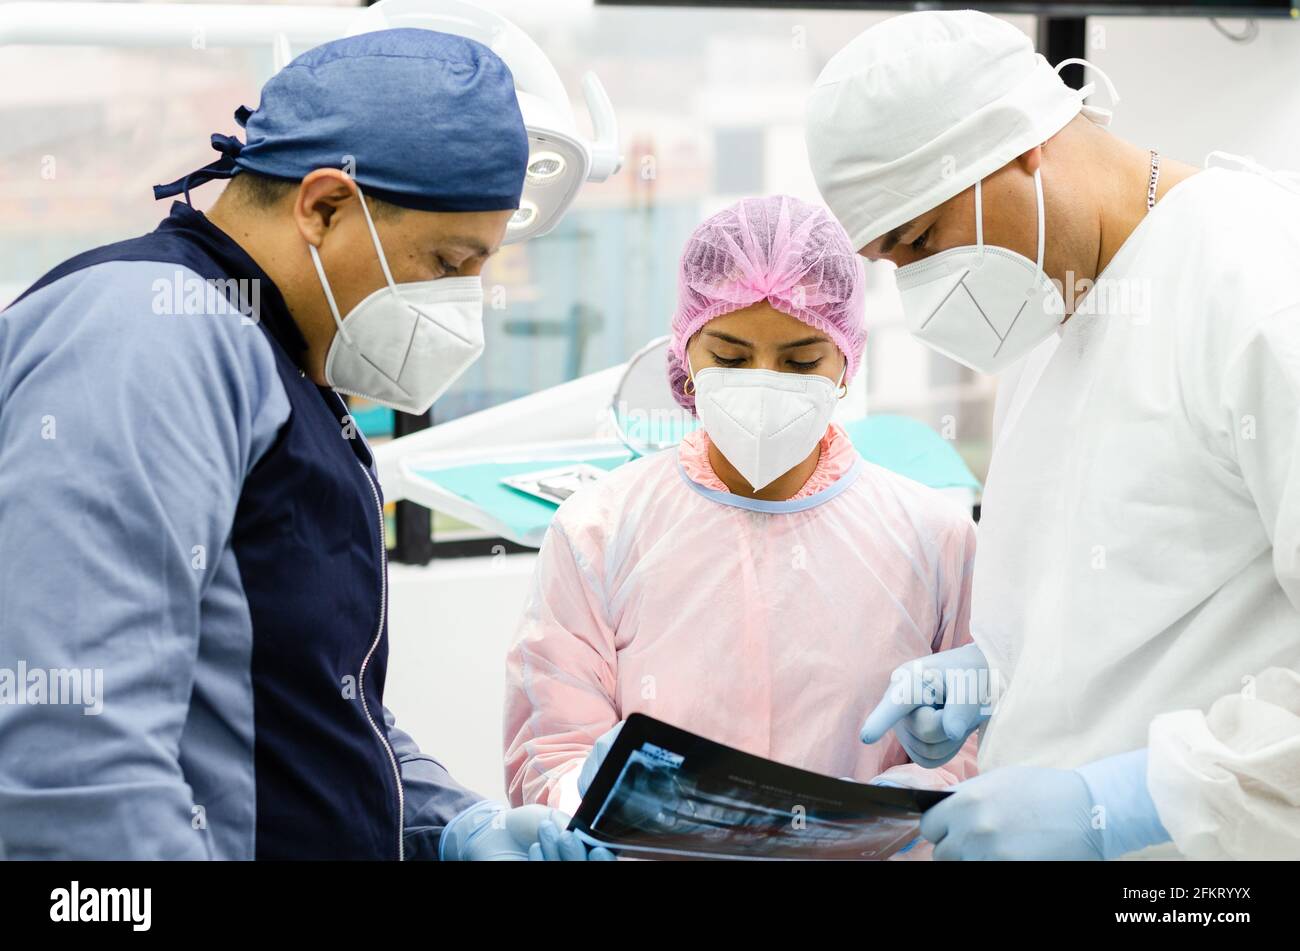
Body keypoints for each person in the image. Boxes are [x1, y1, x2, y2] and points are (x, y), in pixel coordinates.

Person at [0, 29, 607, 861]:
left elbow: (313, 697)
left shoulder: (280, 364)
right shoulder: (149, 339)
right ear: (323, 206)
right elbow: (76, 759)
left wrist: (447, 825)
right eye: (447, 262)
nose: (464, 304)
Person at [806, 10, 1300, 859]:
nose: (921, 290)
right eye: (891, 261)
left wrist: (1130, 801)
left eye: (922, 240)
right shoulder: (1048, 316)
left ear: (1020, 141)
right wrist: (994, 677)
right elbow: (1125, 605)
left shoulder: (1256, 283)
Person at [503, 195, 979, 829]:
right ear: (686, 355)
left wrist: (896, 811)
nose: (763, 380)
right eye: (729, 357)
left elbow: (975, 754)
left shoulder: (934, 537)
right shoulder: (599, 531)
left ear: (845, 362)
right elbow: (552, 753)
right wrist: (583, 808)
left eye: (801, 360)